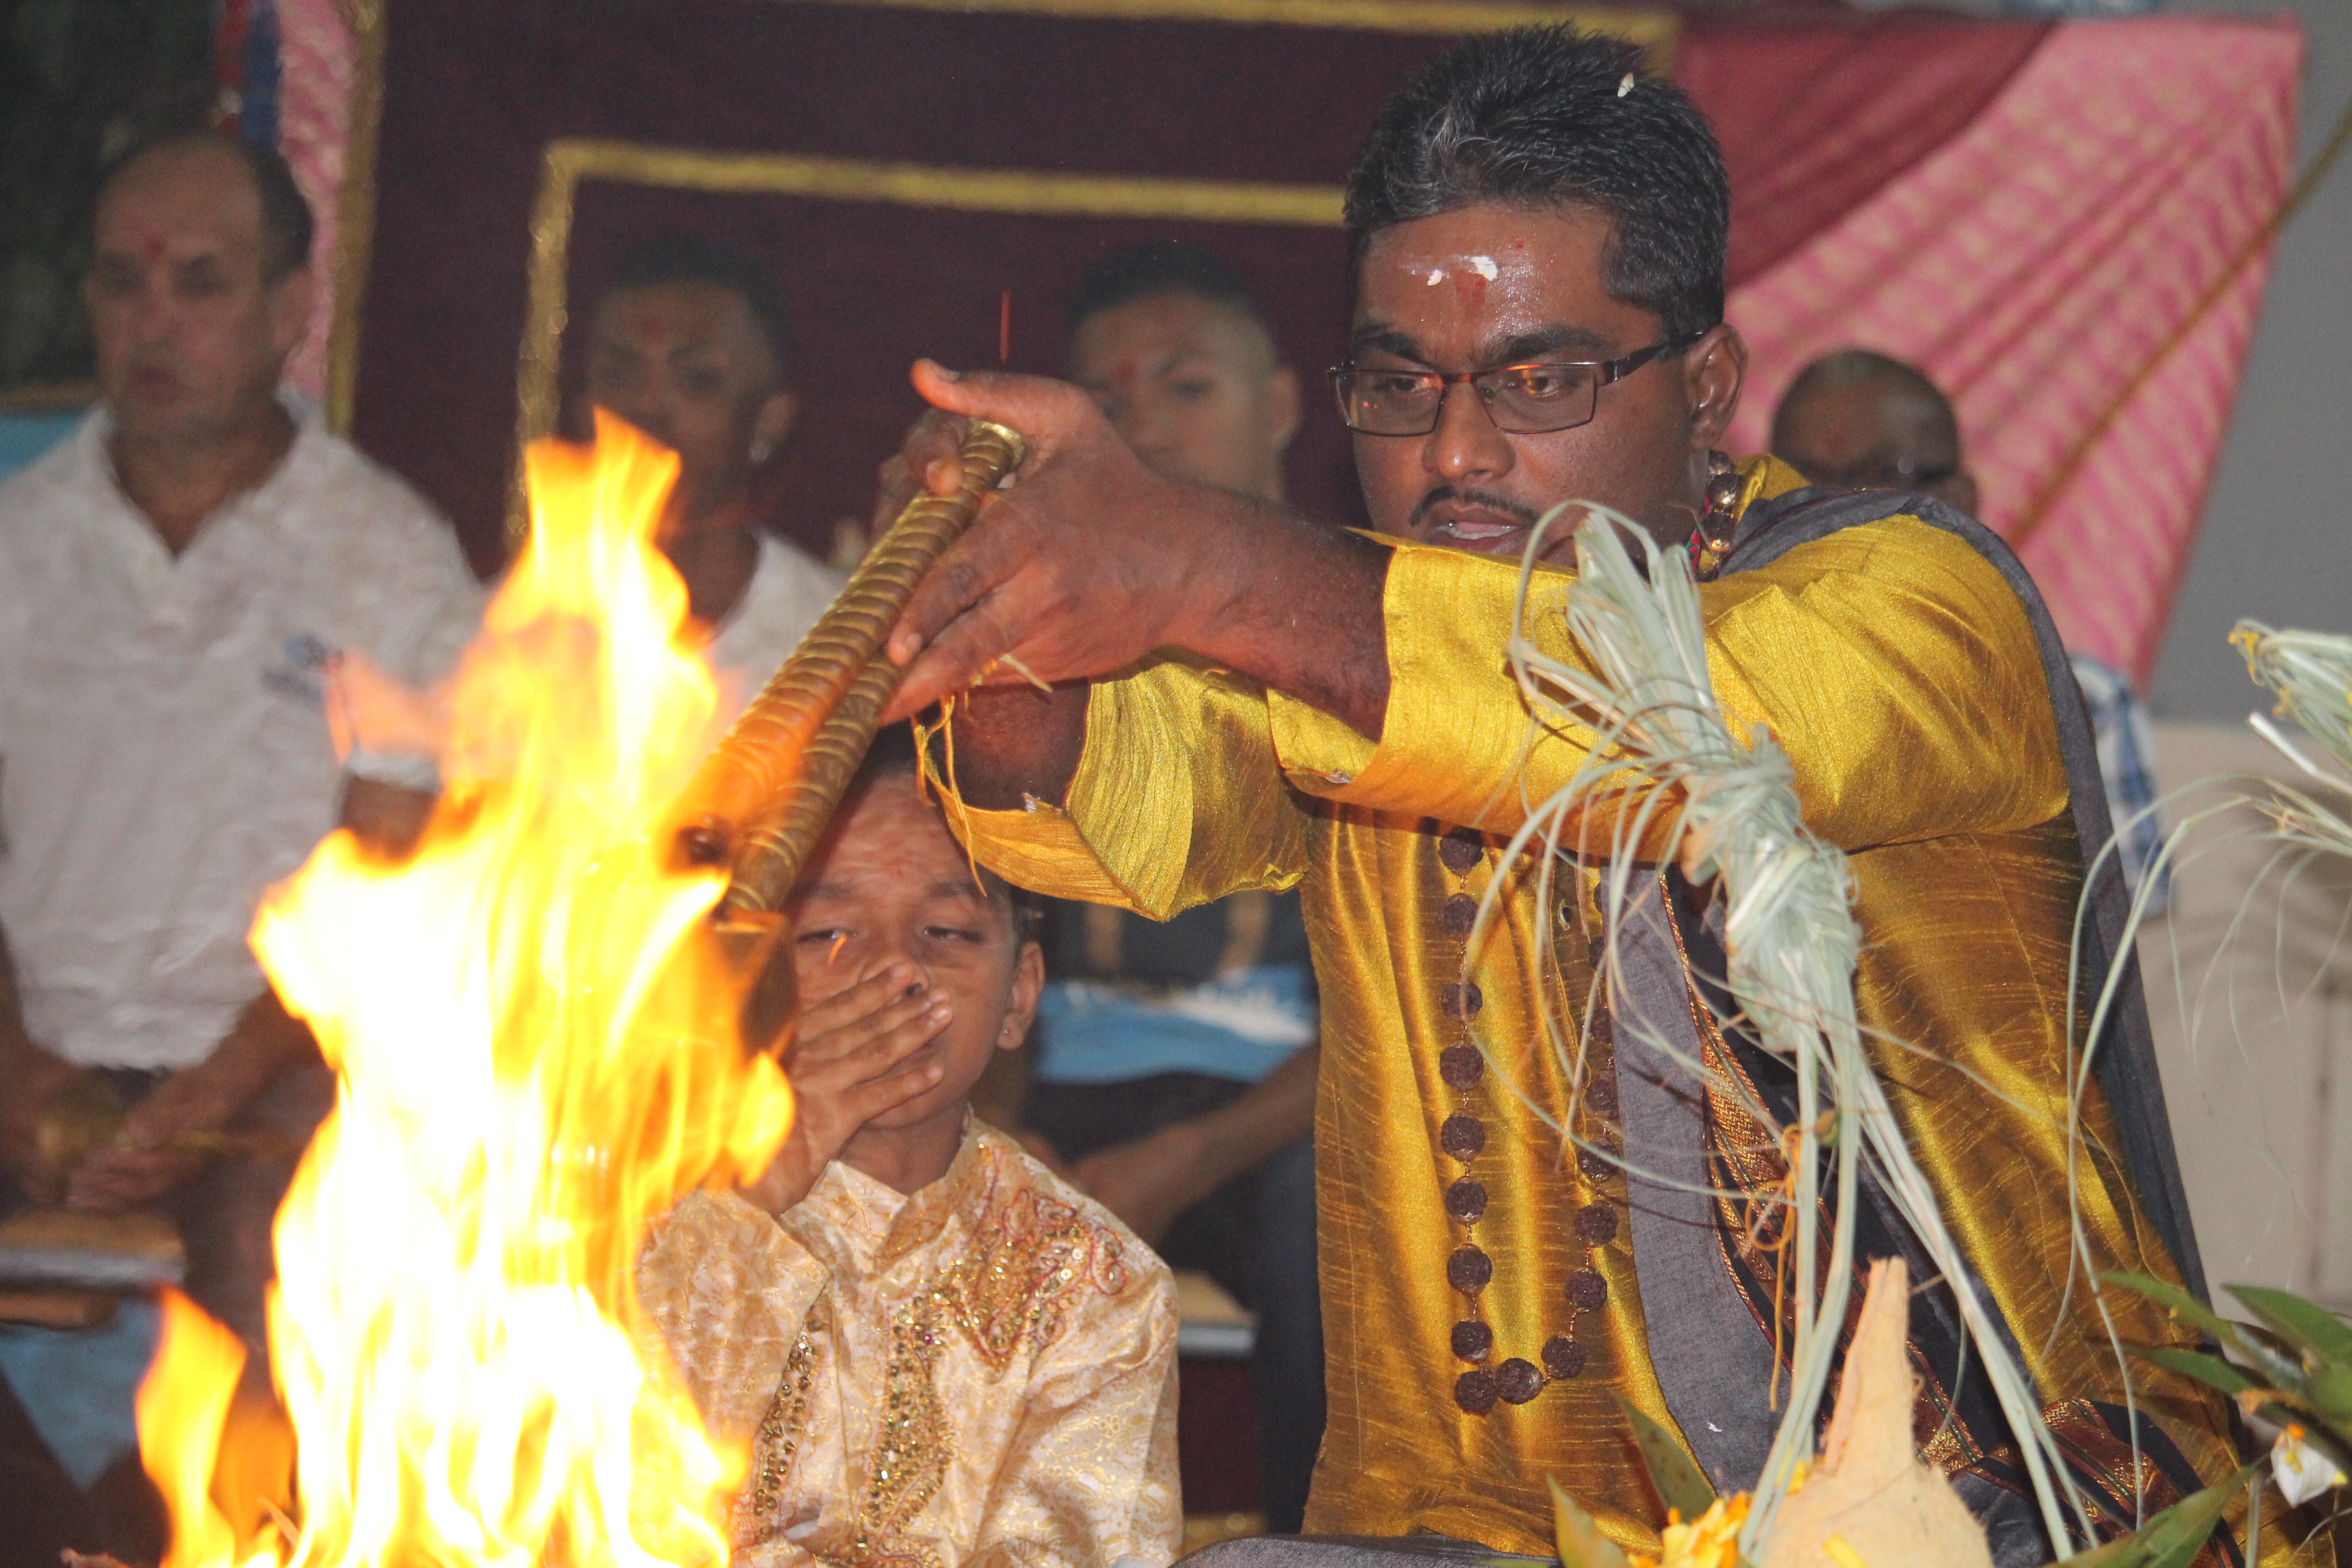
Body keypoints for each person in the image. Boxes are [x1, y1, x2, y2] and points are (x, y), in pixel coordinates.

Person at [856, 27, 2289, 1566]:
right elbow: (1135, 795)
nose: (1453, 451)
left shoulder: (1912, 605)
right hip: (1484, 1525)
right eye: (1395, 385)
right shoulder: (1373, 637)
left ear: (1705, 386)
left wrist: (1197, 558)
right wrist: (995, 626)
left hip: (1986, 1508)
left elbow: (1663, 730)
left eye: (1537, 379)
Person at [0, 129, 481, 1550]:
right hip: (28, 1041)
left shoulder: (387, 552)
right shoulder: (18, 540)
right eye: (122, 286)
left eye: (200, 285)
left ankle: (204, 1539)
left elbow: (395, 890)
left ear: (287, 311)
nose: (153, 324)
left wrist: (198, 1091)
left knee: (304, 1218)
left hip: (269, 1062)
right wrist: (19, 1067)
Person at [636, 725, 1180, 1568]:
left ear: (1019, 995)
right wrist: (749, 1198)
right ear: (754, 982)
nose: (892, 971)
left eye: (948, 933)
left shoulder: (1099, 1285)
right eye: (825, 934)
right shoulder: (638, 1219)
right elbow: (595, 1500)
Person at [990, 242, 1322, 1533]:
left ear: (1283, 405)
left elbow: (1404, 1005)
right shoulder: (1034, 644)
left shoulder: (1372, 632)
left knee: (1330, 1214)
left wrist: (1187, 1155)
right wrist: (998, 1126)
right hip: (1067, 1080)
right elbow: (979, 937)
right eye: (1109, 401)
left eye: (1187, 388)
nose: (1147, 430)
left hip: (1287, 1106)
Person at [1772, 348, 2168, 913]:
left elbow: (2128, 961)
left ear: (1960, 502)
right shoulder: (1725, 694)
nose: (1838, 507)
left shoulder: (2081, 705)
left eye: (1885, 474)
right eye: (1802, 479)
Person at [582, 233, 844, 720]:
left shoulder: (837, 649)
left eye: (696, 380)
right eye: (619, 375)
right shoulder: (501, 632)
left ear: (768, 421)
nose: (646, 408)